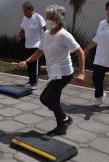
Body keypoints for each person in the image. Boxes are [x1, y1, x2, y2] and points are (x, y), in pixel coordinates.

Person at [18, 5, 85, 137]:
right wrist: (27, 61)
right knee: (54, 100)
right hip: (54, 72)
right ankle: (62, 125)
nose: (48, 20)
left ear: (59, 20)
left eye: (51, 18)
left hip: (64, 73)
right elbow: (40, 51)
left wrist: (81, 72)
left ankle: (64, 119)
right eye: (47, 17)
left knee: (45, 98)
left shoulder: (64, 35)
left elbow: (80, 52)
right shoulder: (46, 34)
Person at [18, 2, 46, 90]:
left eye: (25, 10)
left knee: (34, 65)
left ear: (30, 10)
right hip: (28, 44)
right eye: (23, 11)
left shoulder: (38, 17)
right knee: (29, 64)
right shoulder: (25, 18)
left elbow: (45, 29)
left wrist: (45, 41)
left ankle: (35, 82)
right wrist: (19, 36)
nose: (23, 12)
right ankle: (30, 81)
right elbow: (22, 29)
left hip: (36, 45)